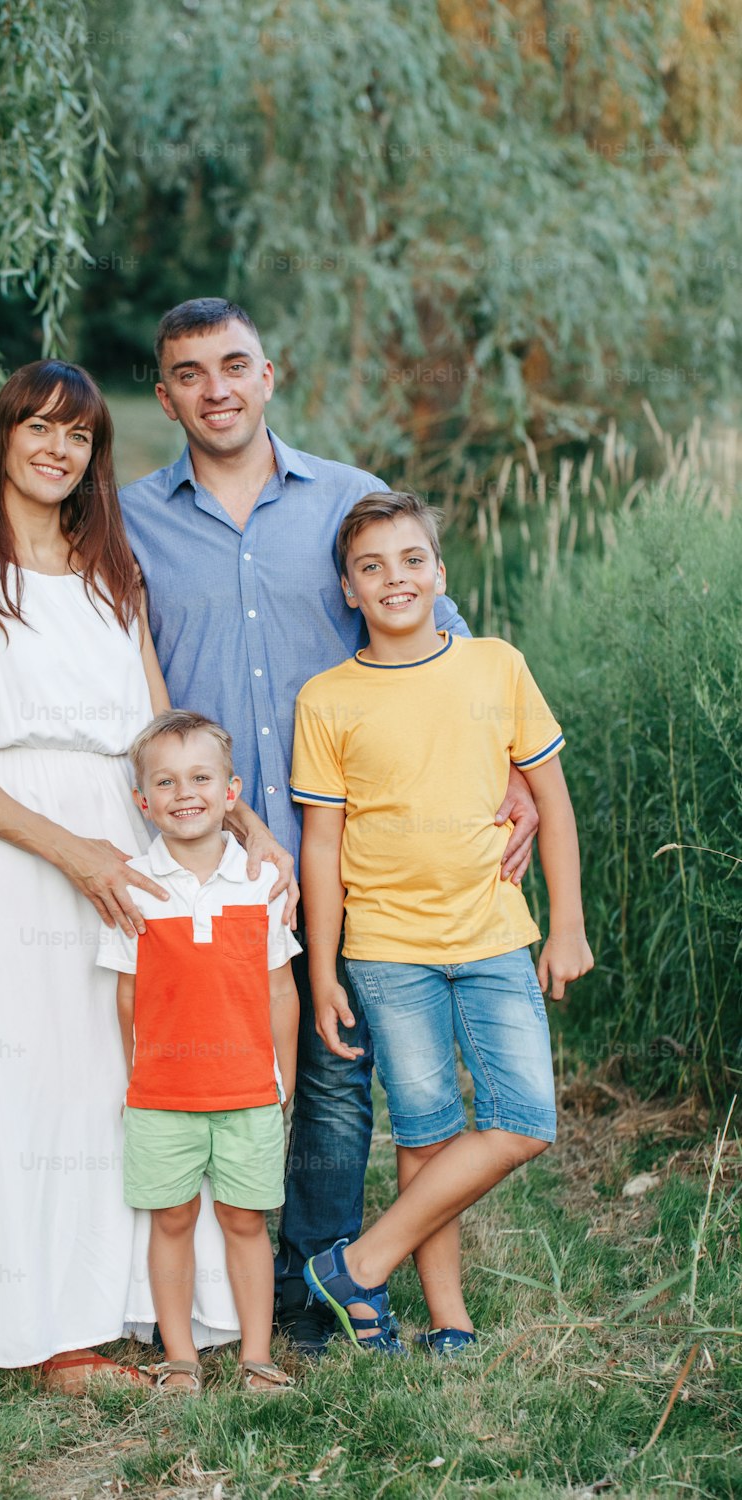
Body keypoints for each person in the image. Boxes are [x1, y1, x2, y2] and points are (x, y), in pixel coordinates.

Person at [118, 297, 541, 1352]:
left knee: (338, 1066)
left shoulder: (351, 505)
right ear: (163, 391)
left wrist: (521, 778)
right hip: (211, 854)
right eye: (188, 372)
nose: (214, 387)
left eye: (233, 364)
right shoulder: (129, 522)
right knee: (221, 1067)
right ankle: (214, 1286)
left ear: (272, 373)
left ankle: (320, 1288)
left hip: (350, 850)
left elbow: (442, 651)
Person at [0, 360, 291, 1393]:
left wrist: (247, 823)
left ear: (93, 456)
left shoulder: (111, 573)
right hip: (22, 857)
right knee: (35, 1086)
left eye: (76, 436)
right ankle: (50, 1333)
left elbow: (160, 734)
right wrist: (71, 852)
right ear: (3, 439)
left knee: (139, 1078)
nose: (56, 448)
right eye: (36, 427)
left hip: (130, 846)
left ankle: (146, 1303)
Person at [292, 491, 594, 1353]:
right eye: (372, 567)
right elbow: (322, 845)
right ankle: (448, 1320)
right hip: (388, 948)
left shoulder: (495, 665)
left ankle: (360, 1262)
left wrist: (565, 922)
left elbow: (553, 803)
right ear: (348, 590)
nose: (396, 579)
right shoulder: (328, 699)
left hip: (496, 931)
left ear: (440, 572)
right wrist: (322, 972)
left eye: (412, 560)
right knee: (425, 1130)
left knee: (525, 1120)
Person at [97, 710, 300, 1394]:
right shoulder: (135, 889)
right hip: (163, 1094)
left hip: (248, 1089)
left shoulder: (260, 883)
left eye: (201, 777)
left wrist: (283, 1081)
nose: (186, 793)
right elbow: (127, 999)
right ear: (143, 801)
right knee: (173, 1217)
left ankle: (257, 1355)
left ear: (231, 790)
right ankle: (179, 1355)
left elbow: (281, 993)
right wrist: (139, 1078)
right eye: (167, 781)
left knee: (245, 1220)